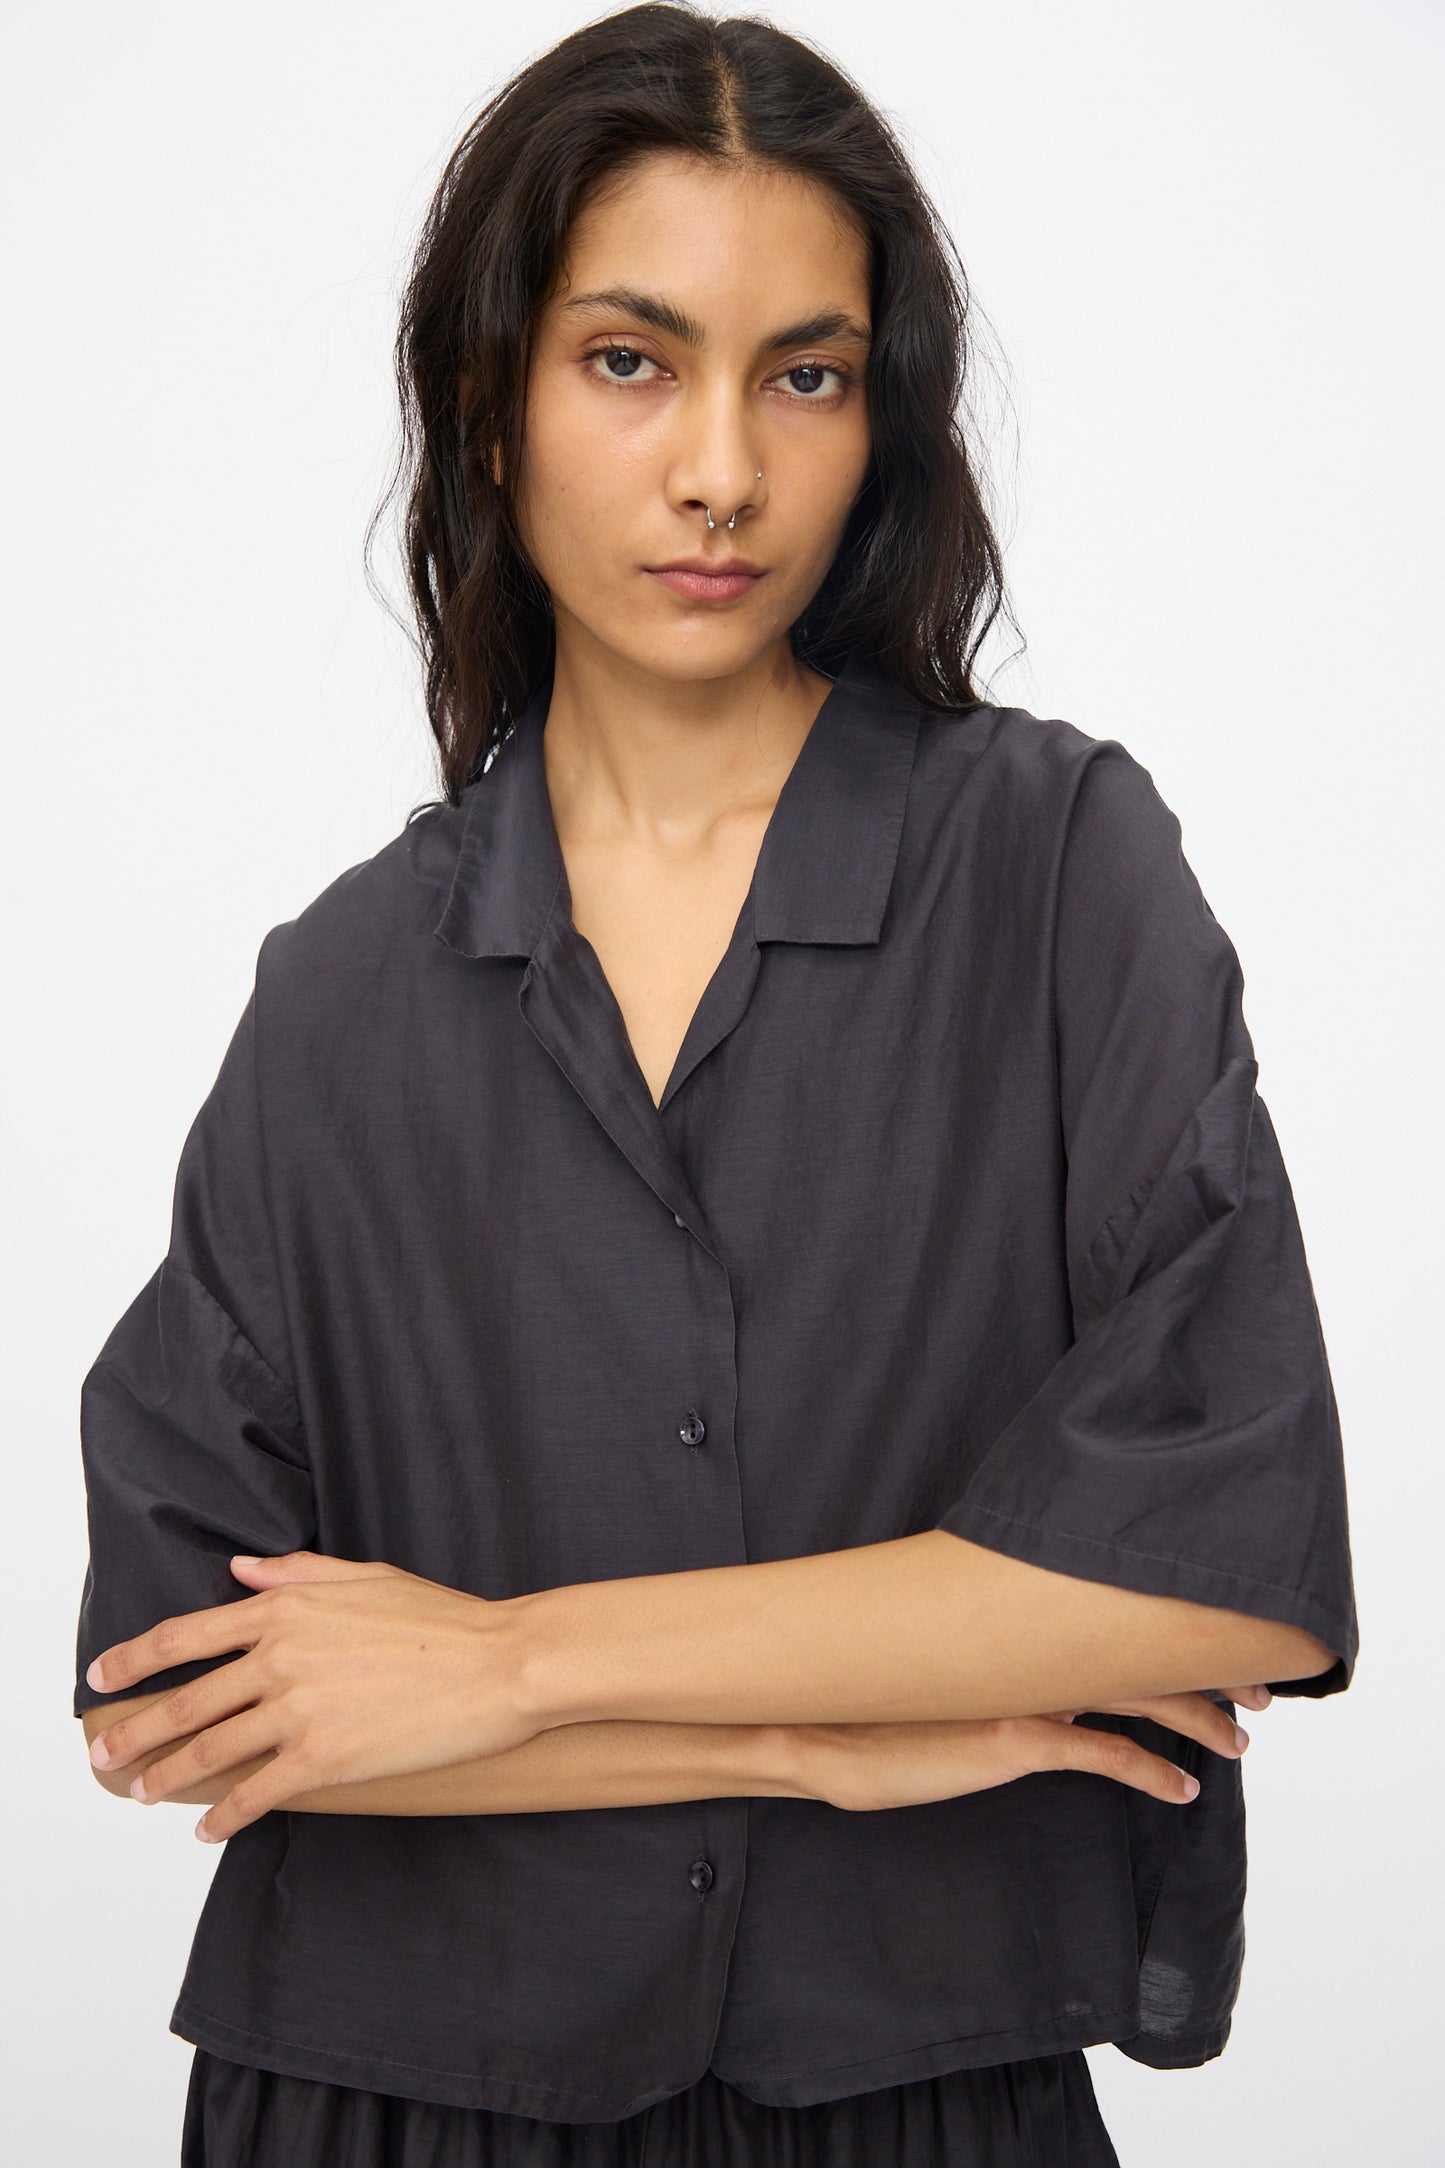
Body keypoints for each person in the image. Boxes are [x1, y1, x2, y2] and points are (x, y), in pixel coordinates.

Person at [72, 6, 1358, 2163]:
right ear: (488, 405)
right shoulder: (343, 989)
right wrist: (830, 1728)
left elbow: (1225, 1570)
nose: (723, 474)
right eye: (629, 360)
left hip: (917, 2099)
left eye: (809, 373)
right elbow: (185, 1697)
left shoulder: (1054, 871)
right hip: (382, 2108)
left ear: (887, 418)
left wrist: (510, 1665)